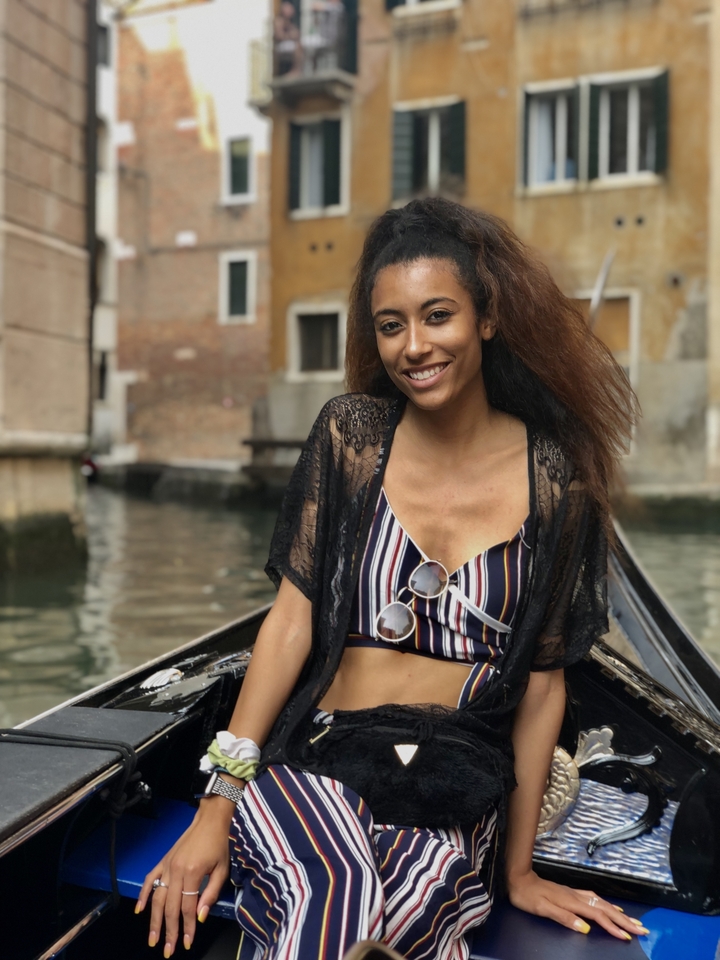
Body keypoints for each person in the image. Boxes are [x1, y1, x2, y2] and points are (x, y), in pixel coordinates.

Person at [136, 198, 646, 960]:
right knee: (329, 888)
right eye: (391, 325)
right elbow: (289, 626)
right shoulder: (351, 436)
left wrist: (518, 871)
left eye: (437, 315)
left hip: (455, 779)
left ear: (486, 317)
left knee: (406, 912)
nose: (414, 346)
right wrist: (217, 806)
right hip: (319, 758)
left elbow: (543, 685)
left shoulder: (556, 478)